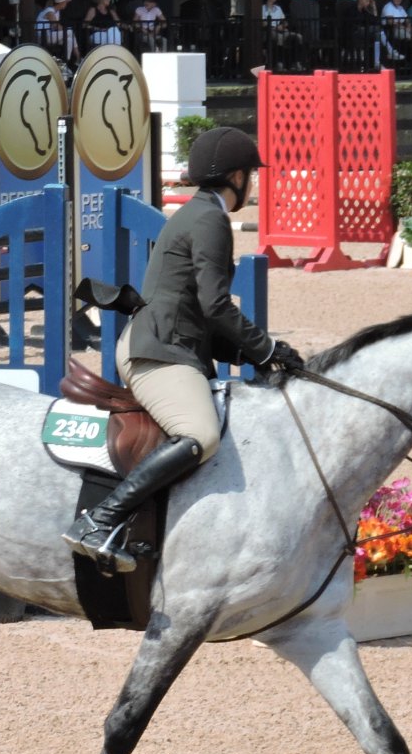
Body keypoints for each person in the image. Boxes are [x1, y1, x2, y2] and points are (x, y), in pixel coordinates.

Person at [61, 126, 304, 575]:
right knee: (202, 435)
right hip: (158, 351)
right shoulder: (210, 219)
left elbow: (195, 310)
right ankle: (100, 520)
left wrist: (253, 355)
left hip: (172, 343)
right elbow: (214, 305)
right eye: (250, 174)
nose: (252, 182)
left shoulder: (196, 214)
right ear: (235, 176)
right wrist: (266, 348)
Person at [260, 0, 303, 70]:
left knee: (298, 37)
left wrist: (283, 26)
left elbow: (284, 21)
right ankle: (279, 62)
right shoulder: (262, 8)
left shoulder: (278, 8)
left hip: (281, 30)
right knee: (279, 38)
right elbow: (263, 23)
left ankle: (296, 62)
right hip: (269, 31)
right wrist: (275, 27)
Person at [37, 0, 78, 64]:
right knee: (69, 31)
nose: (66, 4)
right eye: (65, 2)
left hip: (49, 35)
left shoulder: (56, 11)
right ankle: (78, 56)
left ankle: (65, 63)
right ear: (61, 3)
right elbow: (56, 26)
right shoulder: (50, 11)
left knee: (69, 39)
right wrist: (65, 29)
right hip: (43, 37)